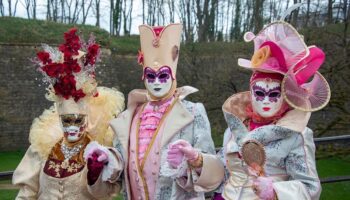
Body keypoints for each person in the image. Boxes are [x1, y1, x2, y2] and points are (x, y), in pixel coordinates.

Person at [216, 21, 330, 200]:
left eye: (274, 93)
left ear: (285, 95)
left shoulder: (297, 135)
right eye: (260, 93)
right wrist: (197, 161)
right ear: (251, 93)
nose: (267, 100)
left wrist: (276, 192)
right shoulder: (235, 127)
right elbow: (221, 172)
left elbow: (310, 188)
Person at [109, 23, 224, 200]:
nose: (156, 82)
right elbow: (117, 172)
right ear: (144, 77)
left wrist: (196, 160)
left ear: (172, 76)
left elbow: (213, 175)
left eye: (162, 76)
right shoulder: (129, 116)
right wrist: (103, 162)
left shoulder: (193, 111)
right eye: (150, 76)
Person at [12, 28, 125, 199]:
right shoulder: (43, 147)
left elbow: (106, 193)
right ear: (59, 121)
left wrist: (94, 175)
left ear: (86, 122)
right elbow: (27, 191)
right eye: (66, 121)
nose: (72, 127)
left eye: (77, 121)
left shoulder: (98, 150)